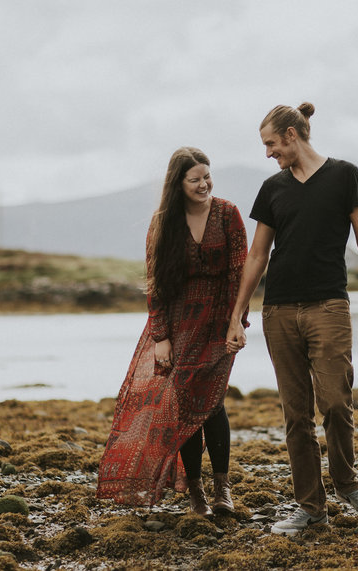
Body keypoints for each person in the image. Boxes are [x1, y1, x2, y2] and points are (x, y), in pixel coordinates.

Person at [226, 102, 358, 535]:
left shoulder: (345, 175)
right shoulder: (272, 188)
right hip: (279, 311)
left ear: (290, 134)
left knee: (337, 403)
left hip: (328, 306)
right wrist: (237, 311)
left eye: (270, 143)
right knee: (296, 415)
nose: (268, 153)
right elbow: (257, 254)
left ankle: (347, 483)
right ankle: (311, 508)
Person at [97, 147, 249, 516]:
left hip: (218, 323)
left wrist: (236, 321)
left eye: (207, 176)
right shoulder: (164, 221)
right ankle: (196, 492)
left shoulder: (228, 214)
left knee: (213, 403)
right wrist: (160, 338)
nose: (203, 184)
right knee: (184, 407)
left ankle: (222, 490)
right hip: (179, 327)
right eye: (194, 179)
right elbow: (156, 284)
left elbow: (239, 273)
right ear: (178, 183)